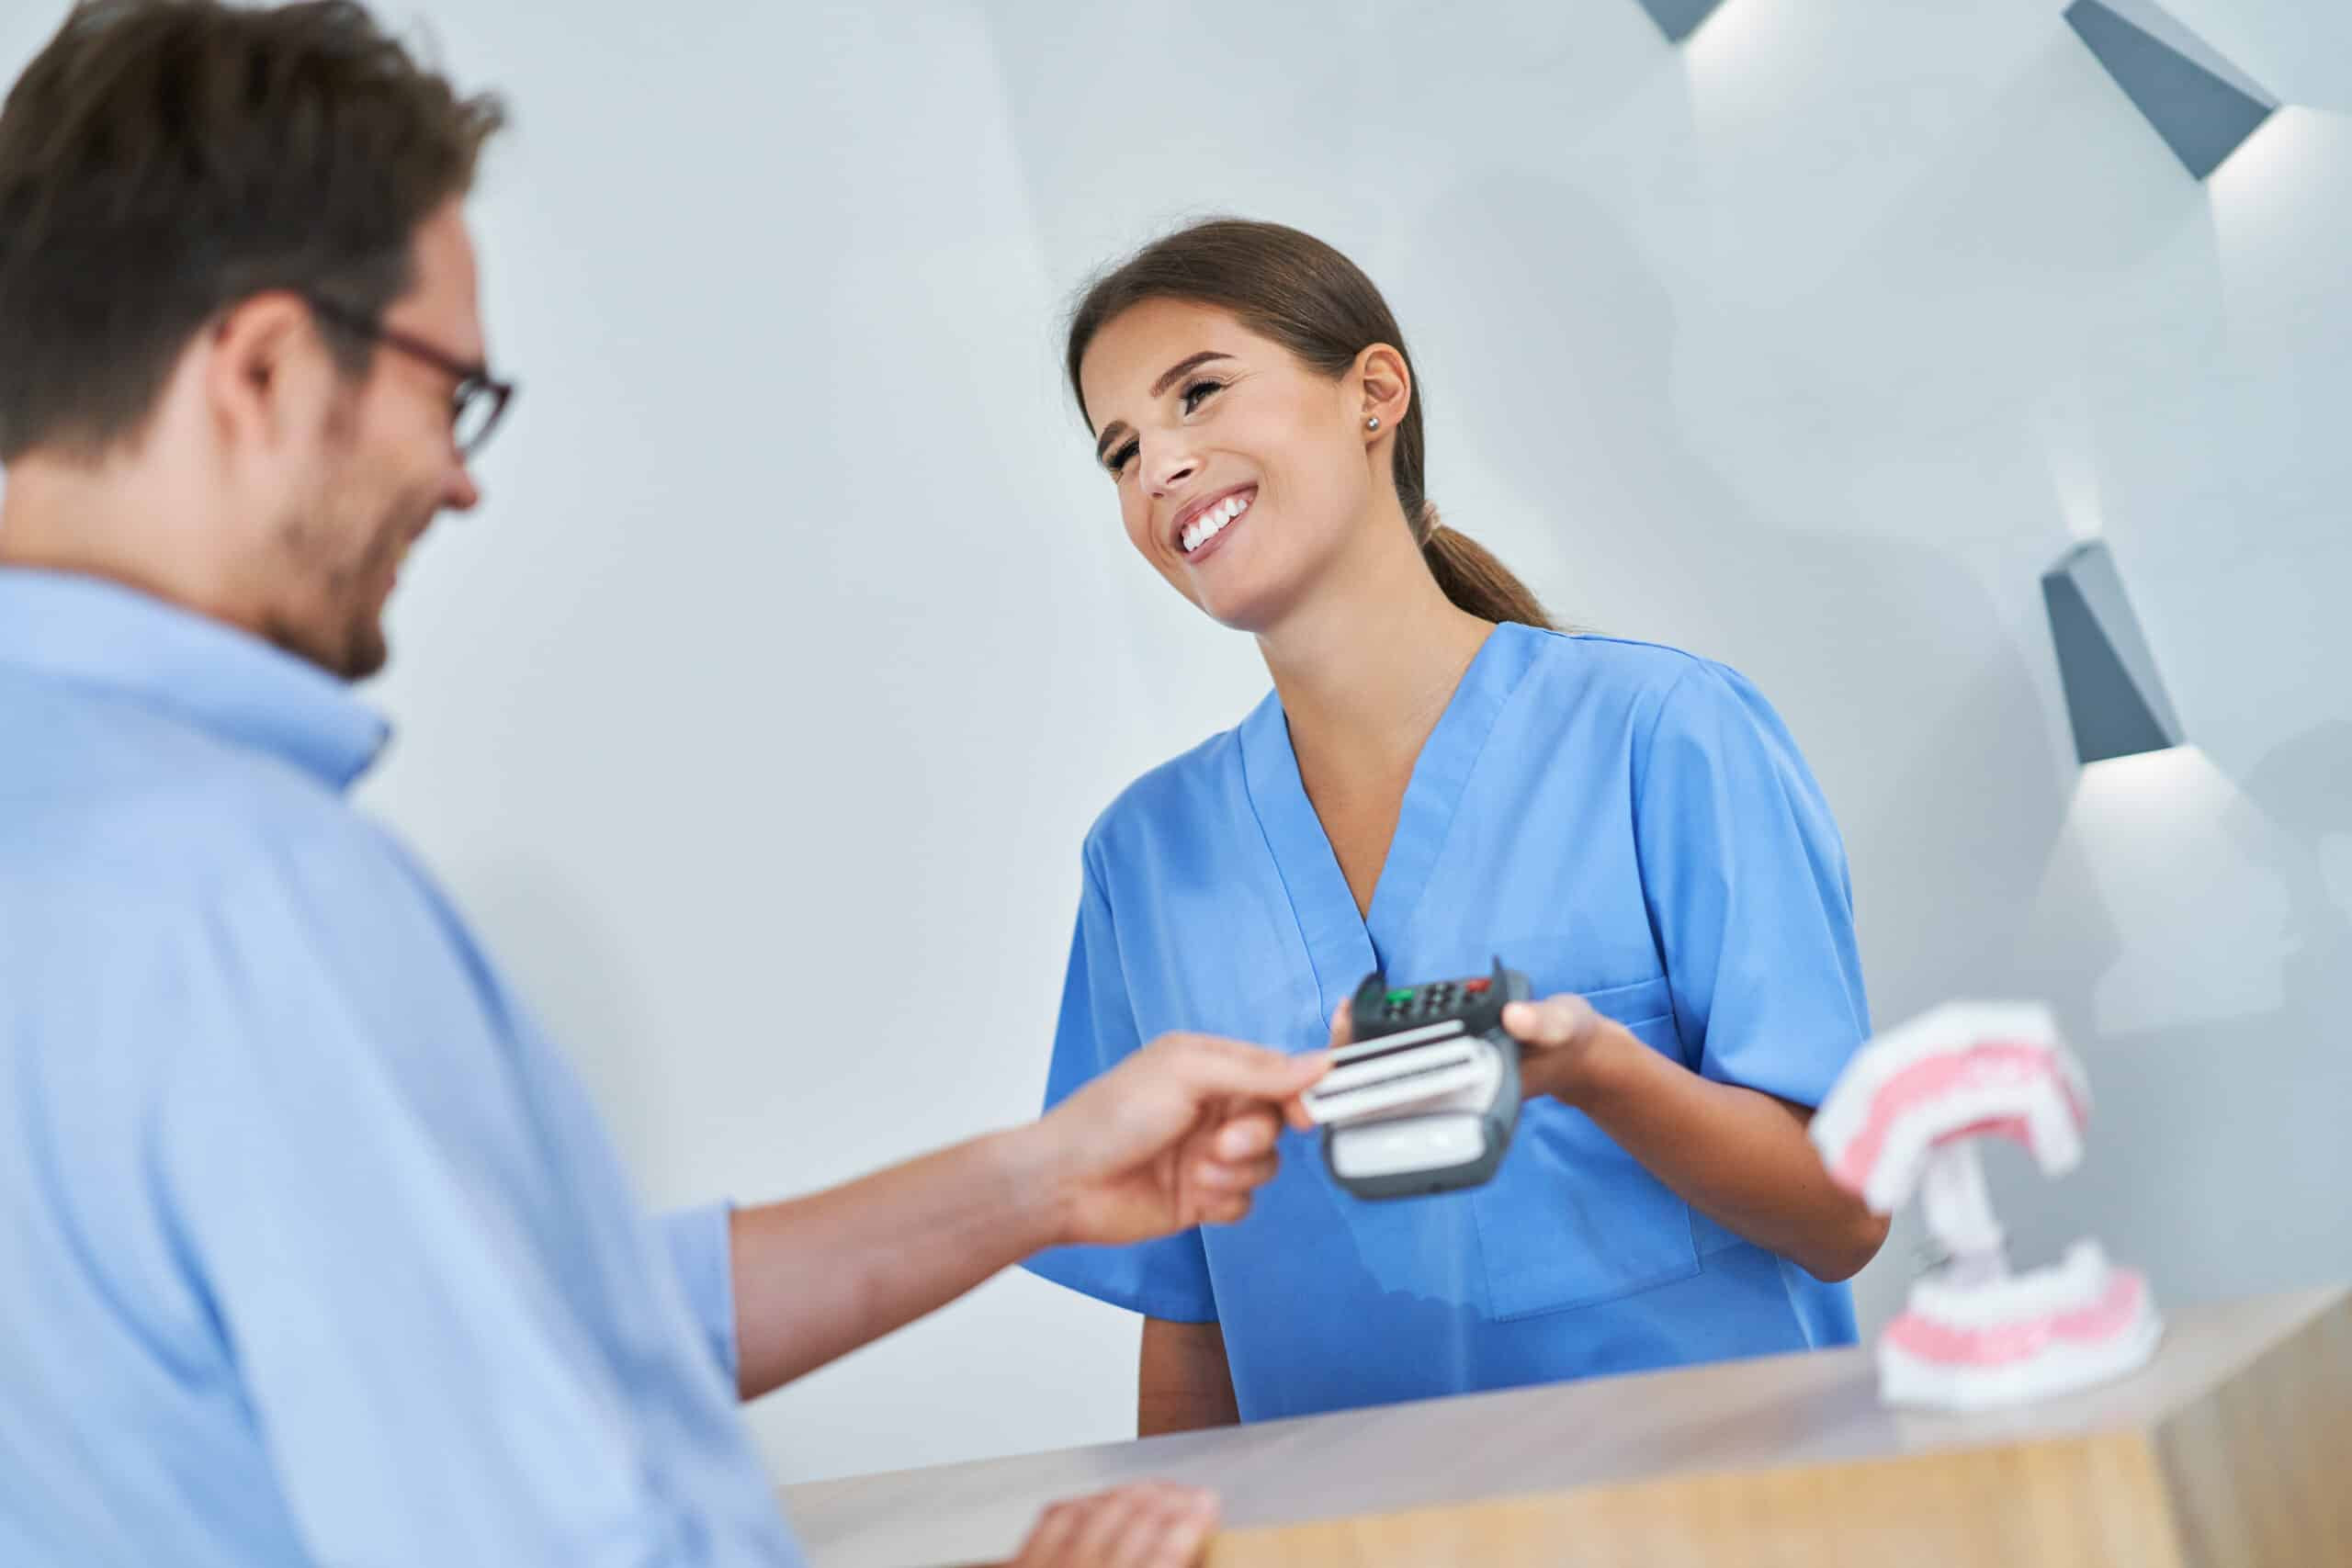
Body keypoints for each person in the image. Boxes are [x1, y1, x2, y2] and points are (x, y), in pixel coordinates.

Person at [0, 6, 1325, 1565]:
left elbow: (531, 1323)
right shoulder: (244, 897)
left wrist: (1041, 1178)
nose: (460, 474)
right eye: (450, 394)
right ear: (268, 369)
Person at [1023, 219, 1891, 1433]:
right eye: (1120, 449)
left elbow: (1844, 1213)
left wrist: (1596, 1072)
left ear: (1373, 393)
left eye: (1200, 395)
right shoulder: (1144, 863)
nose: (1158, 465)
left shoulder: (1665, 735)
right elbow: (1191, 1316)